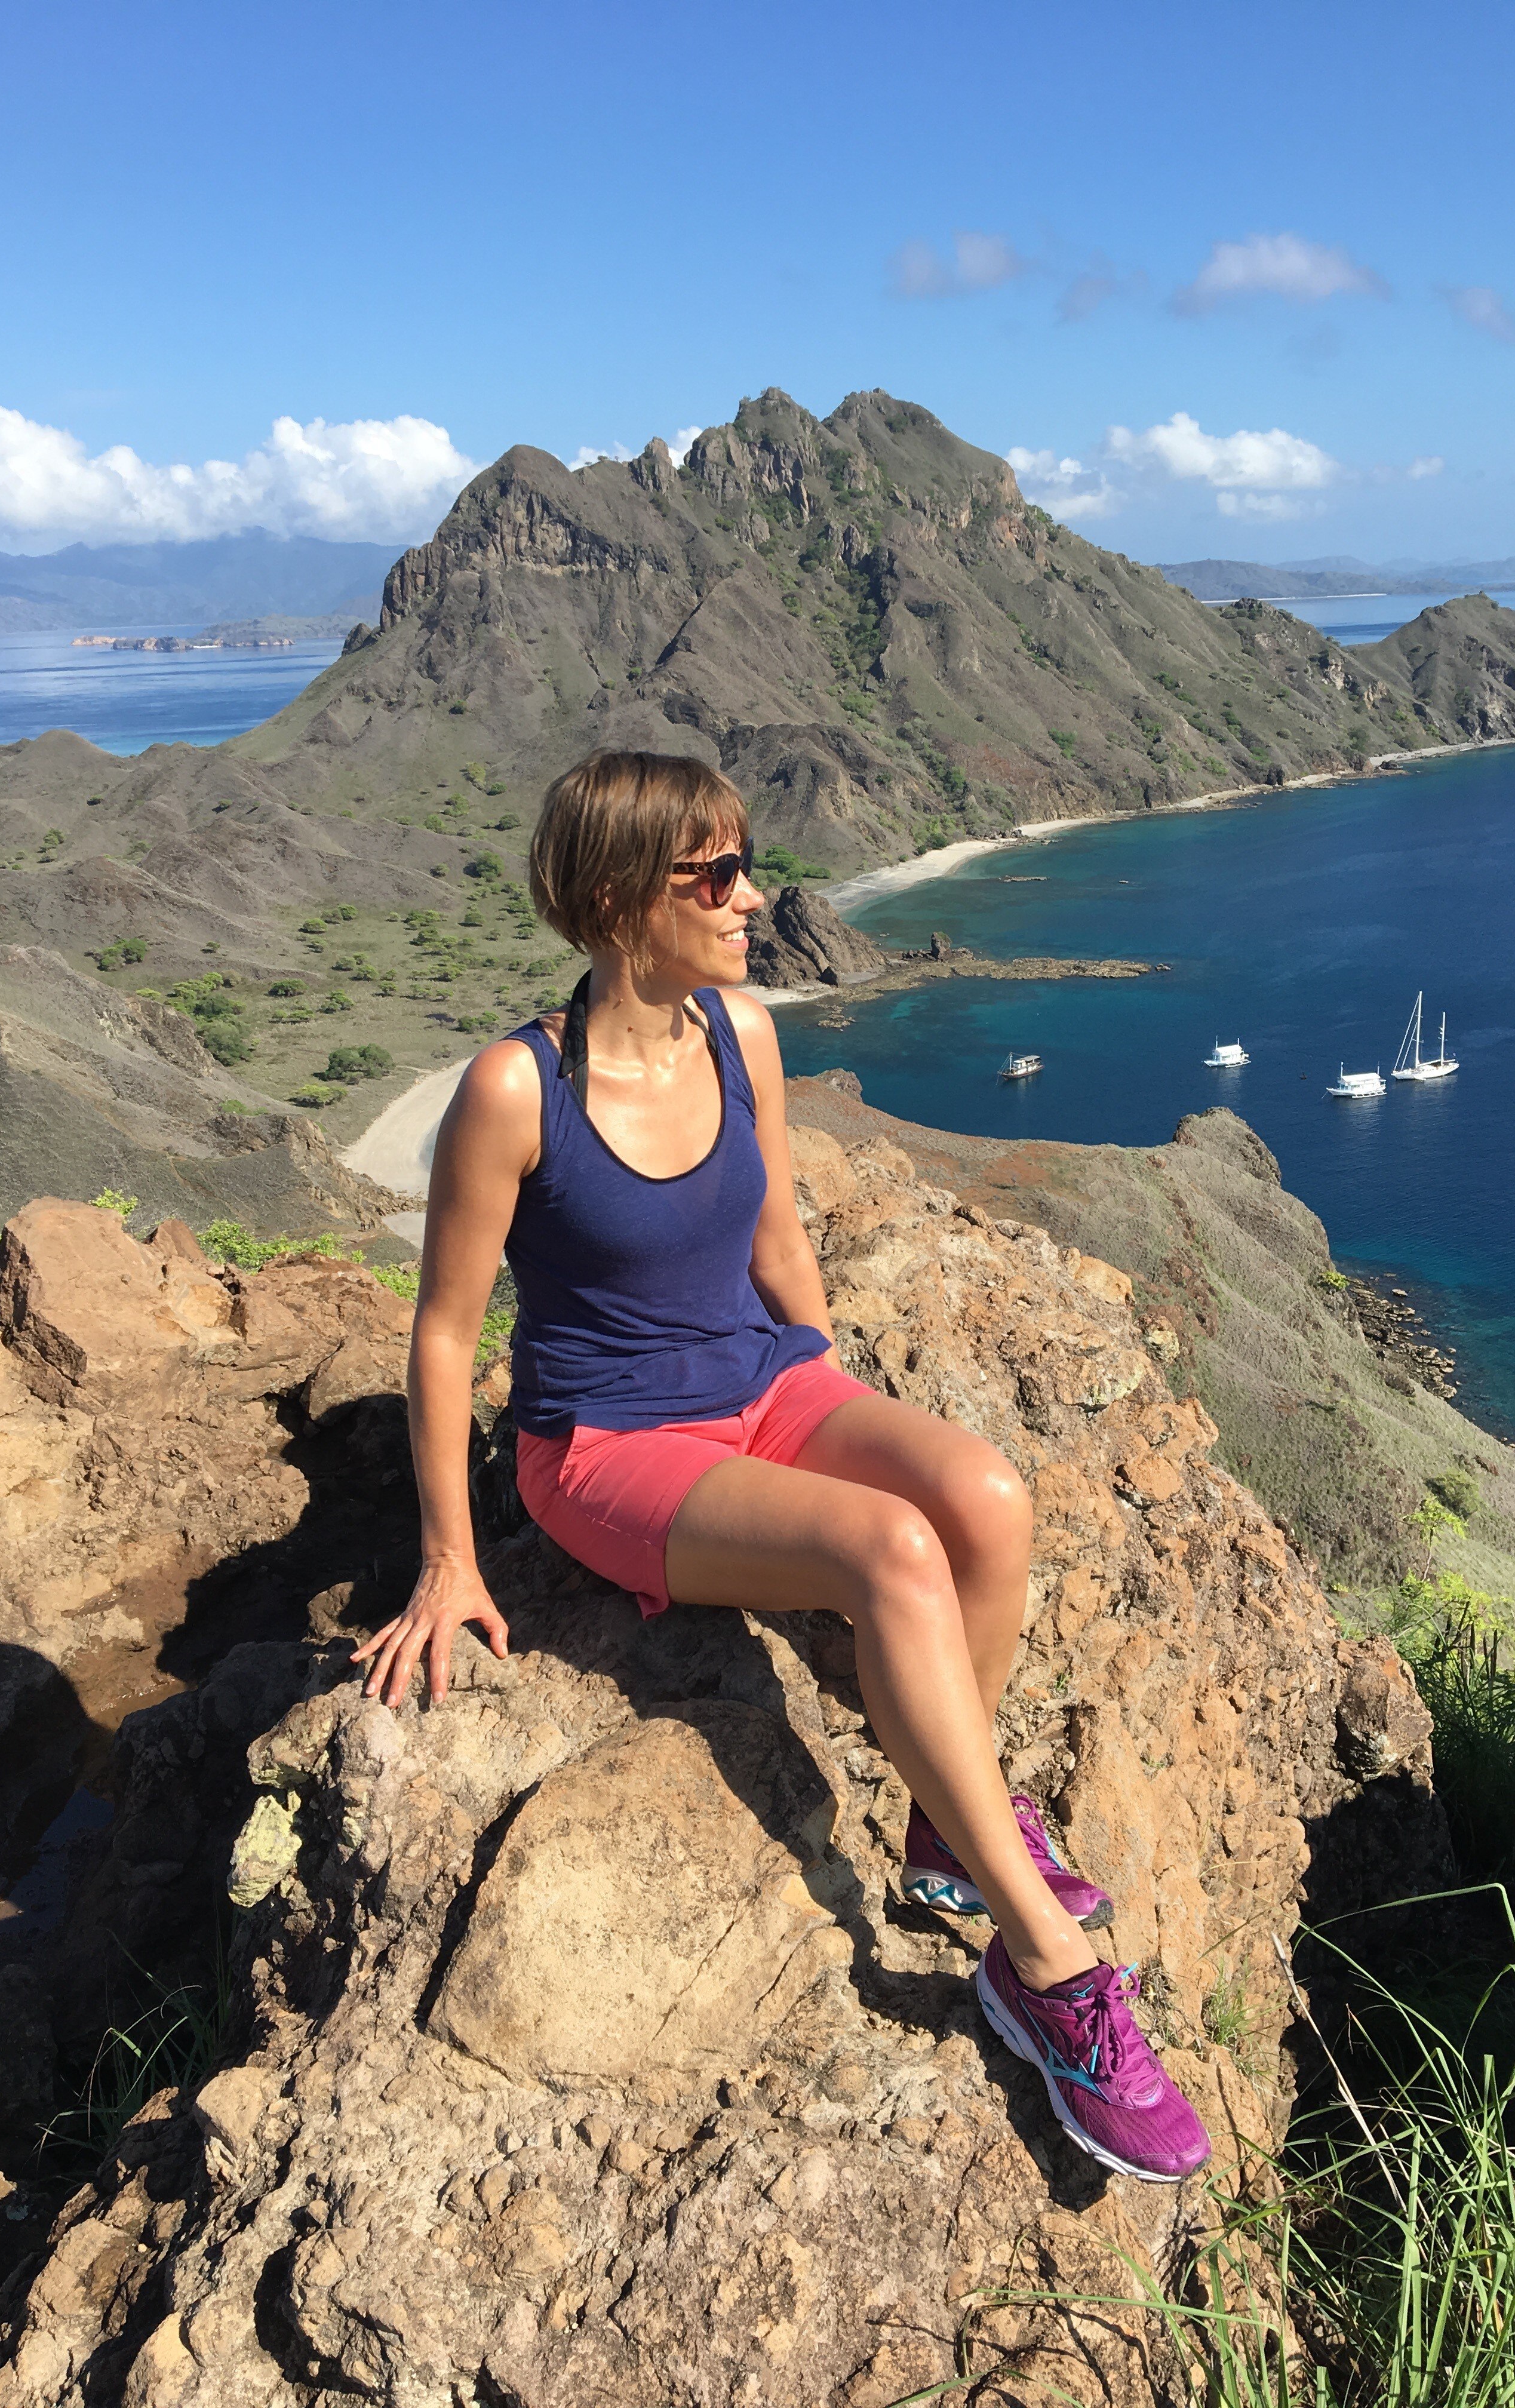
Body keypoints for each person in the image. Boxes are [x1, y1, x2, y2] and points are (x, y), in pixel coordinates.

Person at [352, 750, 1209, 2185]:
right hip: (609, 1447)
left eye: (749, 865)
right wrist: (451, 1557)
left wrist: (830, 1385)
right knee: (893, 1555)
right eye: (717, 877)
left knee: (983, 1498)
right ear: (624, 899)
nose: (754, 899)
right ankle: (1044, 1968)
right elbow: (444, 1339)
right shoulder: (518, 1087)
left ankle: (949, 1818)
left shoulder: (739, 1034)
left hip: (762, 1383)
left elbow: (780, 1240)